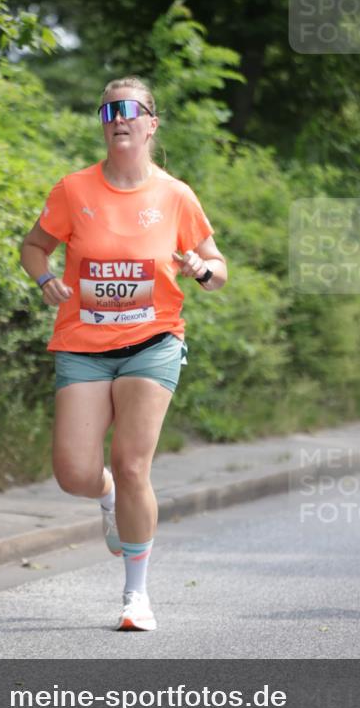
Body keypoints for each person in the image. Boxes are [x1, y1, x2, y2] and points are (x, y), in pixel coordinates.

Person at [20, 76, 227, 631]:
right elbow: (34, 247)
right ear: (104, 122)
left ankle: (136, 597)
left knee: (133, 463)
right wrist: (45, 281)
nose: (119, 117)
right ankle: (105, 495)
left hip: (154, 340)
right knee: (74, 473)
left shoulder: (175, 195)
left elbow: (217, 267)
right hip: (84, 346)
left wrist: (201, 270)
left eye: (131, 109)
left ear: (151, 123)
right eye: (110, 108)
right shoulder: (73, 191)